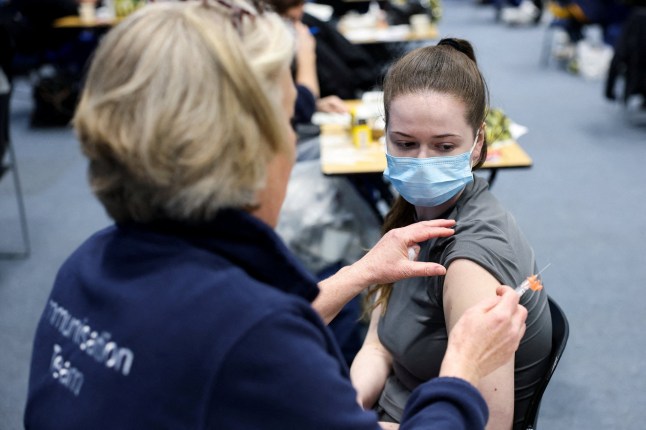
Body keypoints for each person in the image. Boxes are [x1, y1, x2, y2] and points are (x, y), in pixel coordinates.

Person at [23, 4, 527, 429]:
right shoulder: (254, 336)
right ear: (244, 149)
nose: (293, 140)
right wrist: (462, 368)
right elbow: (243, 341)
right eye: (288, 121)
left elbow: (203, 343)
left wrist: (358, 274)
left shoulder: (86, 266)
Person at [350, 38, 553, 430]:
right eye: (405, 143)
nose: (422, 163)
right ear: (385, 135)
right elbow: (379, 344)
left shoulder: (469, 262)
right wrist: (348, 405)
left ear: (477, 143)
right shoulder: (411, 216)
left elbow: (489, 425)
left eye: (444, 147)